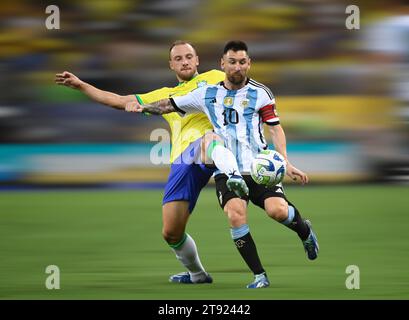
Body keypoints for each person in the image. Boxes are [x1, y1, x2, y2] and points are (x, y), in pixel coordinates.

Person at [126, 40, 319, 289]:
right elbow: (168, 104)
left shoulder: (261, 93)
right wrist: (143, 107)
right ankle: (259, 275)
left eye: (242, 62)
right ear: (222, 64)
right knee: (235, 215)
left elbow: (275, 129)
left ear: (248, 64)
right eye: (232, 62)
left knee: (278, 212)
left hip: (259, 166)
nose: (237, 67)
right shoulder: (207, 94)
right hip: (228, 171)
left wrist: (286, 161)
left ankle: (305, 231)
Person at [55, 41, 227, 284]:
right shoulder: (164, 96)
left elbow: (245, 91)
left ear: (197, 59)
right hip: (183, 159)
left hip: (213, 143)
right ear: (171, 65)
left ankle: (230, 172)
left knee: (209, 141)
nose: (185, 61)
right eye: (178, 58)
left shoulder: (216, 77)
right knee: (171, 233)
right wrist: (82, 85)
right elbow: (117, 100)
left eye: (189, 56)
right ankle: (198, 275)